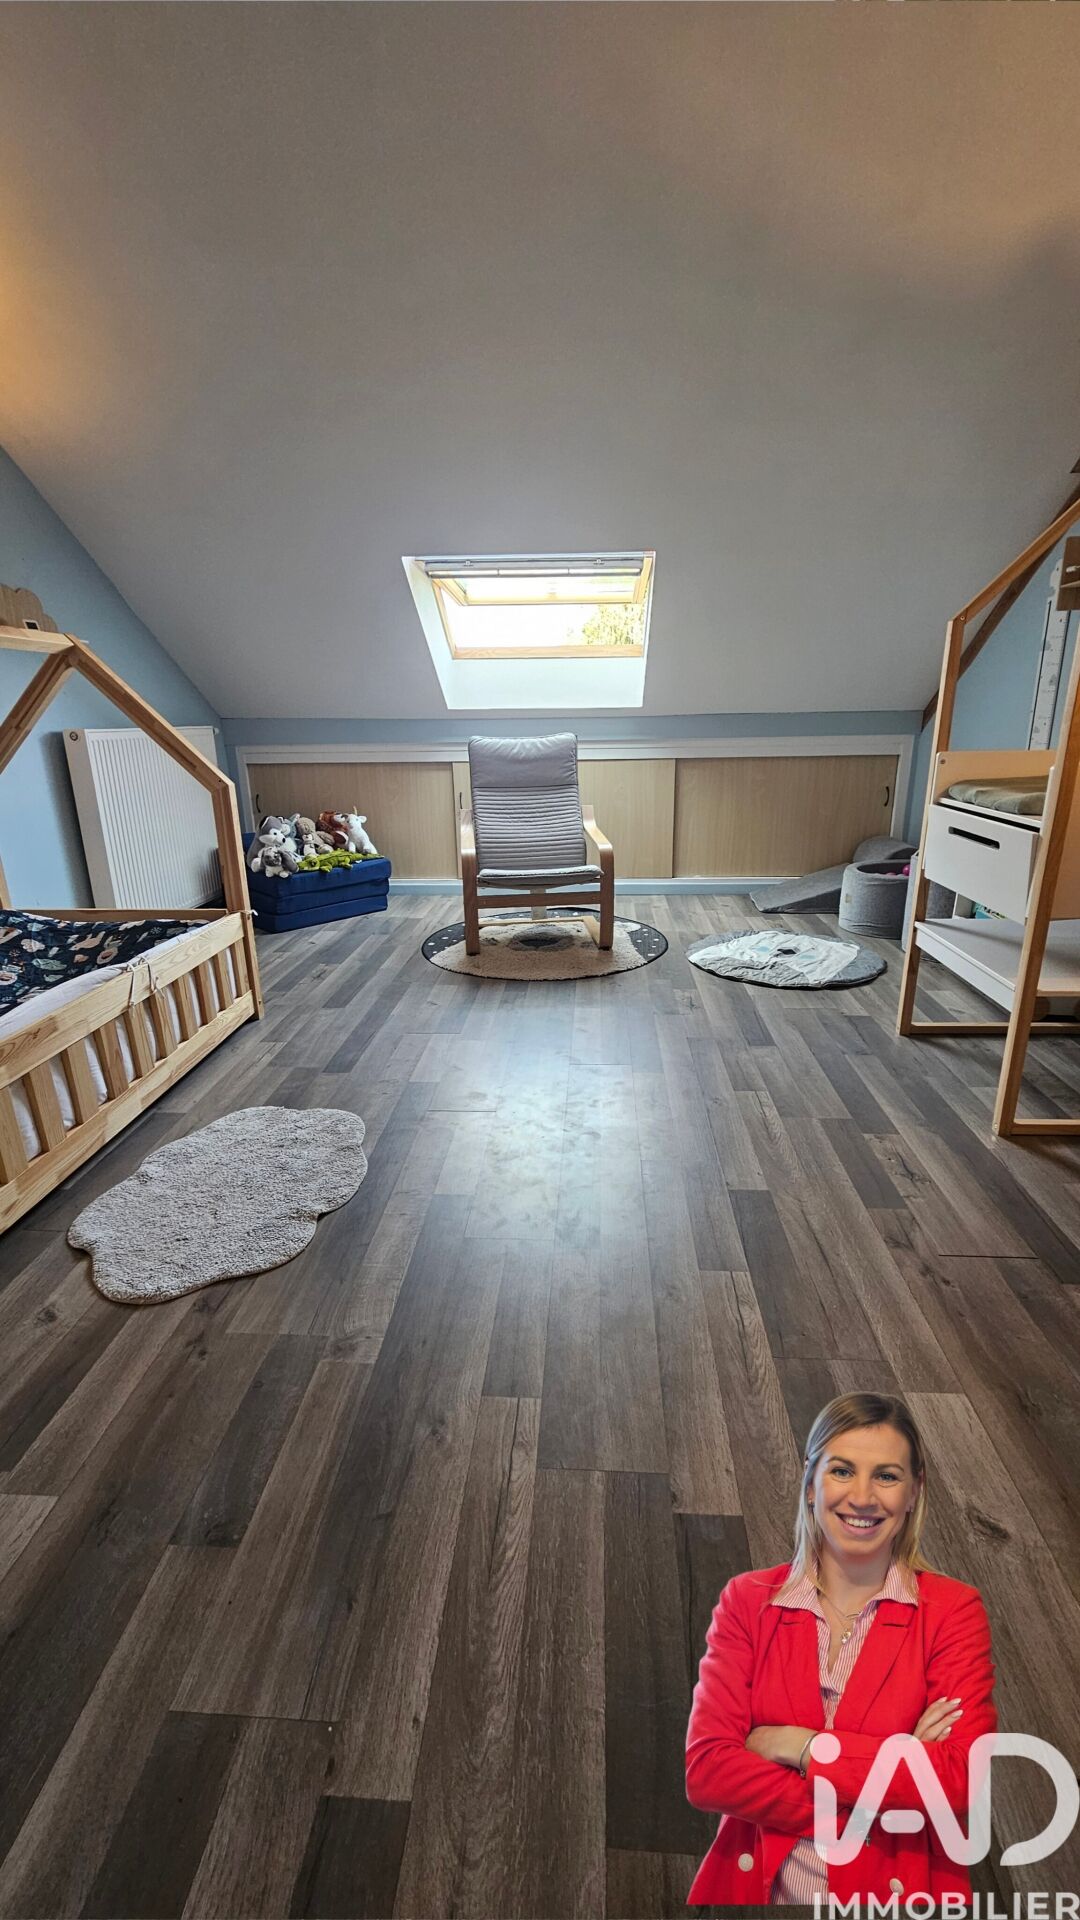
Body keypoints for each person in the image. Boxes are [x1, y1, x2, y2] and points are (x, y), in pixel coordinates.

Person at [685, 1392, 997, 1908]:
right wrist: (894, 1777)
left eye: (887, 1476)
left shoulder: (951, 1611)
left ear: (914, 1492)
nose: (863, 1496)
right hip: (758, 1898)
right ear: (811, 1485)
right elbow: (709, 1773)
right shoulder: (747, 1601)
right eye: (843, 1471)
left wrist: (802, 1747)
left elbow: (959, 1779)